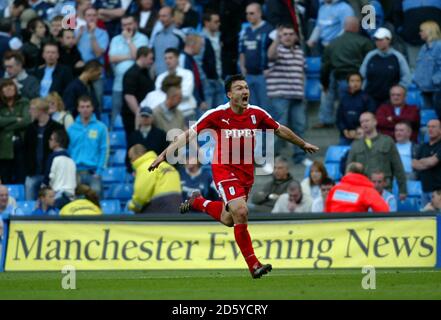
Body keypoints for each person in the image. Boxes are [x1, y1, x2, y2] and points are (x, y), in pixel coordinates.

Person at [148, 74, 319, 278]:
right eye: (239, 88)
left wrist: (302, 144)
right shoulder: (216, 114)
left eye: (246, 87)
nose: (244, 91)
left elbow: (279, 130)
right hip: (223, 170)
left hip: (246, 174)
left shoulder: (257, 113)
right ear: (229, 94)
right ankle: (254, 265)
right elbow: (188, 134)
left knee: (228, 218)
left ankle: (198, 202)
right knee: (241, 210)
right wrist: (163, 155)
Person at [316, 16, 374, 129]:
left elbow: (325, 66)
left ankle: (329, 121)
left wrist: (324, 83)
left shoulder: (333, 43)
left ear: (344, 27)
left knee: (342, 103)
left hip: (338, 77)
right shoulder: (365, 42)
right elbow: (371, 63)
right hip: (358, 79)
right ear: (357, 27)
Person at [266, 24, 307, 165]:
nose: (288, 36)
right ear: (279, 37)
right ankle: (271, 158)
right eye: (285, 34)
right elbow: (270, 55)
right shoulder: (277, 50)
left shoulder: (300, 52)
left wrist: (302, 91)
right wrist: (276, 40)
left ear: (295, 37)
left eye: (291, 34)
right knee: (278, 128)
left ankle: (299, 157)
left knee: (299, 126)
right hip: (280, 95)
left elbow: (302, 73)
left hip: (297, 95)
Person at [347, 112, 407, 199]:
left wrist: (403, 190)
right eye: (362, 122)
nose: (364, 124)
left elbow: (397, 166)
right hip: (363, 190)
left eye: (367, 121)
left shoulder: (387, 141)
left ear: (375, 122)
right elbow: (349, 169)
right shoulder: (355, 145)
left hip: (384, 189)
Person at [109, 14, 149, 129]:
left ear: (135, 24)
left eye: (130, 24)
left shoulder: (143, 38)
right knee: (115, 114)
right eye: (124, 25)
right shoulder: (116, 39)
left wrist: (128, 40)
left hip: (136, 85)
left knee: (138, 114)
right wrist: (129, 56)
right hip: (118, 84)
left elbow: (138, 56)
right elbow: (111, 58)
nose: (127, 27)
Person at [67, 95, 109, 197]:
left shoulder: (101, 127)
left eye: (87, 106)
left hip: (93, 172)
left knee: (95, 198)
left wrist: (99, 171)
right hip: (75, 172)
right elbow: (68, 150)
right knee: (75, 201)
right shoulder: (71, 129)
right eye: (82, 107)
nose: (85, 109)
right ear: (78, 109)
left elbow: (104, 150)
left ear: (92, 108)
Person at [360, 27, 411, 108]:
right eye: (377, 40)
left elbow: (406, 77)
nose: (378, 42)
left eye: (381, 39)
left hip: (390, 99)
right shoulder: (370, 55)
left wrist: (396, 93)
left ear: (389, 40)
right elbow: (363, 75)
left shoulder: (397, 56)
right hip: (370, 97)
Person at [23, 97, 63, 200]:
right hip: (32, 173)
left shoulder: (57, 127)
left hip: (51, 175)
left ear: (40, 110)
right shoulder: (30, 128)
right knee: (30, 205)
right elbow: (25, 150)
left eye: (32, 109)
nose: (29, 112)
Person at [128, 144, 182, 214]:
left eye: (130, 158)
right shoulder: (168, 166)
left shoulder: (146, 166)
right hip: (177, 204)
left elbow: (141, 194)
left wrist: (132, 206)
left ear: (134, 157)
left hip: (161, 205)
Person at [238, 2, 273, 108]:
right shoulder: (245, 31)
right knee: (250, 108)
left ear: (259, 13)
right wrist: (242, 67)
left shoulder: (269, 30)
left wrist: (270, 68)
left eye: (252, 13)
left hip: (264, 75)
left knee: (265, 108)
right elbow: (242, 51)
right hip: (248, 75)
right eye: (247, 13)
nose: (248, 16)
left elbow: (275, 52)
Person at [325, 162, 389, 213]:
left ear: (347, 173)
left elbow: (327, 211)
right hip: (357, 227)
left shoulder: (335, 189)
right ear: (363, 175)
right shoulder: (368, 191)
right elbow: (384, 210)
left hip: (335, 226)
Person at [0, 79, 30, 184]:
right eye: (5, 86)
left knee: (21, 176)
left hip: (21, 145)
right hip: (4, 148)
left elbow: (26, 120)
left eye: (11, 85)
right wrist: (15, 119)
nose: (9, 88)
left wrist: (6, 127)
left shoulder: (24, 102)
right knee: (5, 177)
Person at [122, 46, 155, 139]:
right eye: (150, 58)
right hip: (132, 117)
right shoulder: (131, 73)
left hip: (144, 115)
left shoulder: (145, 72)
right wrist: (139, 114)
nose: (151, 61)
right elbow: (129, 96)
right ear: (142, 57)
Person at [336, 72, 376, 145]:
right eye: (352, 81)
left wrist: (359, 129)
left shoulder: (367, 98)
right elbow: (339, 118)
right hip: (346, 135)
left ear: (361, 83)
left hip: (363, 133)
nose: (355, 83)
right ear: (348, 83)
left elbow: (371, 116)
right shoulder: (344, 98)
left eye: (358, 81)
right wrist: (344, 130)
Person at [155, 47, 196, 120]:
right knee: (173, 132)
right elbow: (159, 96)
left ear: (177, 58)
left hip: (188, 111)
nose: (167, 61)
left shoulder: (187, 74)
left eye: (170, 58)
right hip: (169, 114)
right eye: (166, 58)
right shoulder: (160, 77)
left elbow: (186, 93)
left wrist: (169, 96)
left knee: (192, 131)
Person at [413, 21, 441, 117]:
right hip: (425, 89)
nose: (419, 33)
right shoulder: (423, 48)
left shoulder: (439, 46)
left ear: (429, 31)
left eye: (422, 30)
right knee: (429, 118)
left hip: (437, 90)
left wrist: (436, 80)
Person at [43, 129, 77, 209]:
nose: (49, 141)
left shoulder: (53, 158)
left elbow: (47, 179)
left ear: (57, 143)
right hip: (72, 198)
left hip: (58, 197)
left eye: (51, 139)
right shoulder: (72, 161)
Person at [197, 11, 224, 109]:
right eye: (216, 22)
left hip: (219, 79)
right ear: (207, 23)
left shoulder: (219, 37)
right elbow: (198, 62)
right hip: (207, 82)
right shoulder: (200, 39)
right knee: (204, 115)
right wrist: (204, 79)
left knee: (219, 115)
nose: (219, 24)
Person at [412, 119, 441, 207]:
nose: (430, 129)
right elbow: (414, 164)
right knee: (424, 218)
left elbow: (432, 162)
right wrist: (430, 160)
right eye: (428, 127)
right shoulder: (422, 146)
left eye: (433, 127)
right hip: (425, 190)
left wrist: (422, 162)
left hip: (439, 192)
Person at [150, 6, 185, 75]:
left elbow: (183, 57)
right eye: (159, 16)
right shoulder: (157, 35)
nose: (161, 19)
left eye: (164, 16)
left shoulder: (179, 35)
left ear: (172, 17)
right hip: (158, 76)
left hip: (174, 76)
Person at [179, 34, 206, 112]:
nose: (201, 48)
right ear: (192, 45)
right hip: (187, 105)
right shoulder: (183, 59)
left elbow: (197, 81)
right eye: (200, 45)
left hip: (194, 102)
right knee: (191, 124)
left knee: (194, 124)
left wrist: (201, 99)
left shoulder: (191, 59)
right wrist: (199, 101)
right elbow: (187, 83)